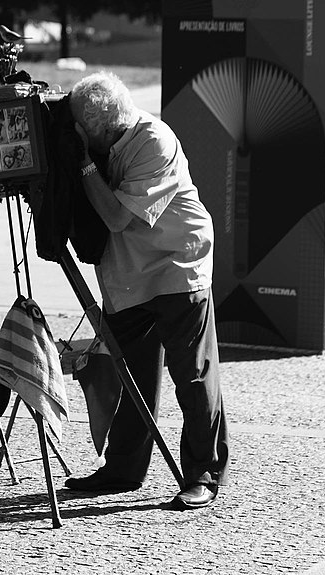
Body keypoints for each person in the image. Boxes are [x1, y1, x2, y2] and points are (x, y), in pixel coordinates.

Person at [64, 71, 230, 510]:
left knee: (192, 374)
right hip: (128, 273)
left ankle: (203, 475)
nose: (74, 132)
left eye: (79, 127)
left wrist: (82, 162)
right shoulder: (100, 140)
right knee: (131, 375)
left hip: (177, 262)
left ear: (98, 129)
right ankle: (123, 470)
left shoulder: (154, 140)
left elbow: (118, 218)